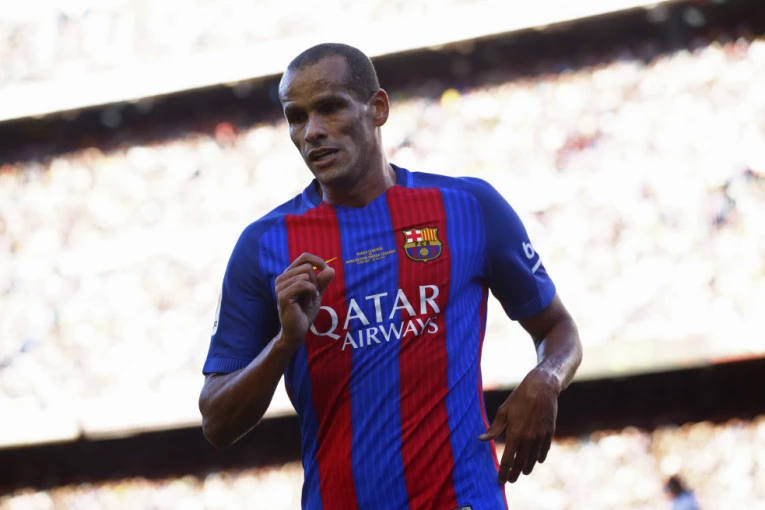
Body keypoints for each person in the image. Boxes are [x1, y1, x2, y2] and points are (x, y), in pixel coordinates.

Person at [198, 42, 583, 510]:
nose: (312, 131)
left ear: (378, 108)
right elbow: (217, 423)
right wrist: (284, 343)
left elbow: (558, 328)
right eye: (296, 117)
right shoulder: (263, 246)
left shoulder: (468, 207)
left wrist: (546, 378)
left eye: (330, 108)